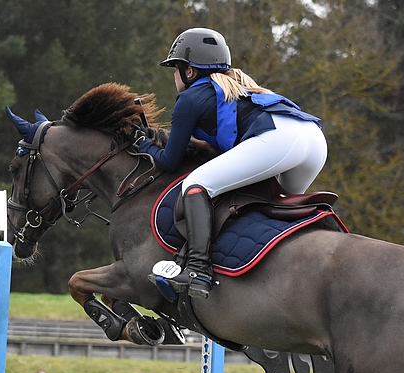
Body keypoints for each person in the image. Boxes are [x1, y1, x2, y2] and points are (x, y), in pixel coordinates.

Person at [136, 28, 328, 299]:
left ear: (189, 71)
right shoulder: (237, 85)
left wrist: (144, 145)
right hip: (313, 139)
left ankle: (198, 270)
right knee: (274, 204)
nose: (174, 76)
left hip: (280, 139)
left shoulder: (190, 98)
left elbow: (169, 160)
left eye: (175, 69)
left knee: (195, 184)